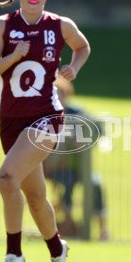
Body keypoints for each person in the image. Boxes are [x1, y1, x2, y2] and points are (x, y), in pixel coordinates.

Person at [0, 0, 90, 262]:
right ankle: (58, 250)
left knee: (6, 178)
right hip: (11, 119)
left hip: (46, 116)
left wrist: (74, 67)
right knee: (36, 196)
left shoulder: (60, 25)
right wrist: (13, 56)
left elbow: (82, 46)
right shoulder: (3, 25)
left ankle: (14, 254)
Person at [42, 76, 109, 241]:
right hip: (54, 168)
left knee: (95, 184)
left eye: (61, 93)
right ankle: (68, 224)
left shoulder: (77, 112)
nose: (58, 97)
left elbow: (97, 130)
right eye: (54, 94)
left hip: (79, 168)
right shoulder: (45, 114)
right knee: (67, 182)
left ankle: (103, 230)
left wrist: (82, 139)